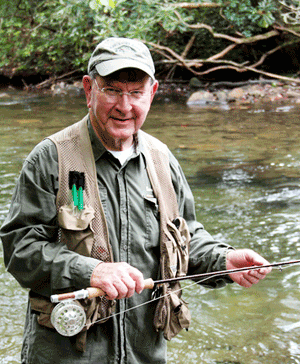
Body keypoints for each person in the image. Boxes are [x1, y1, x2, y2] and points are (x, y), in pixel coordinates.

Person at [0, 37, 272, 364]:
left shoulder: (163, 160)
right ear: (89, 90)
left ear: (152, 93)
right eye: (112, 90)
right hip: (66, 355)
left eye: (136, 93)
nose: (125, 107)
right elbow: (20, 249)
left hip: (145, 353)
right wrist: (91, 271)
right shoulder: (50, 158)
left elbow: (184, 240)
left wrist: (224, 261)